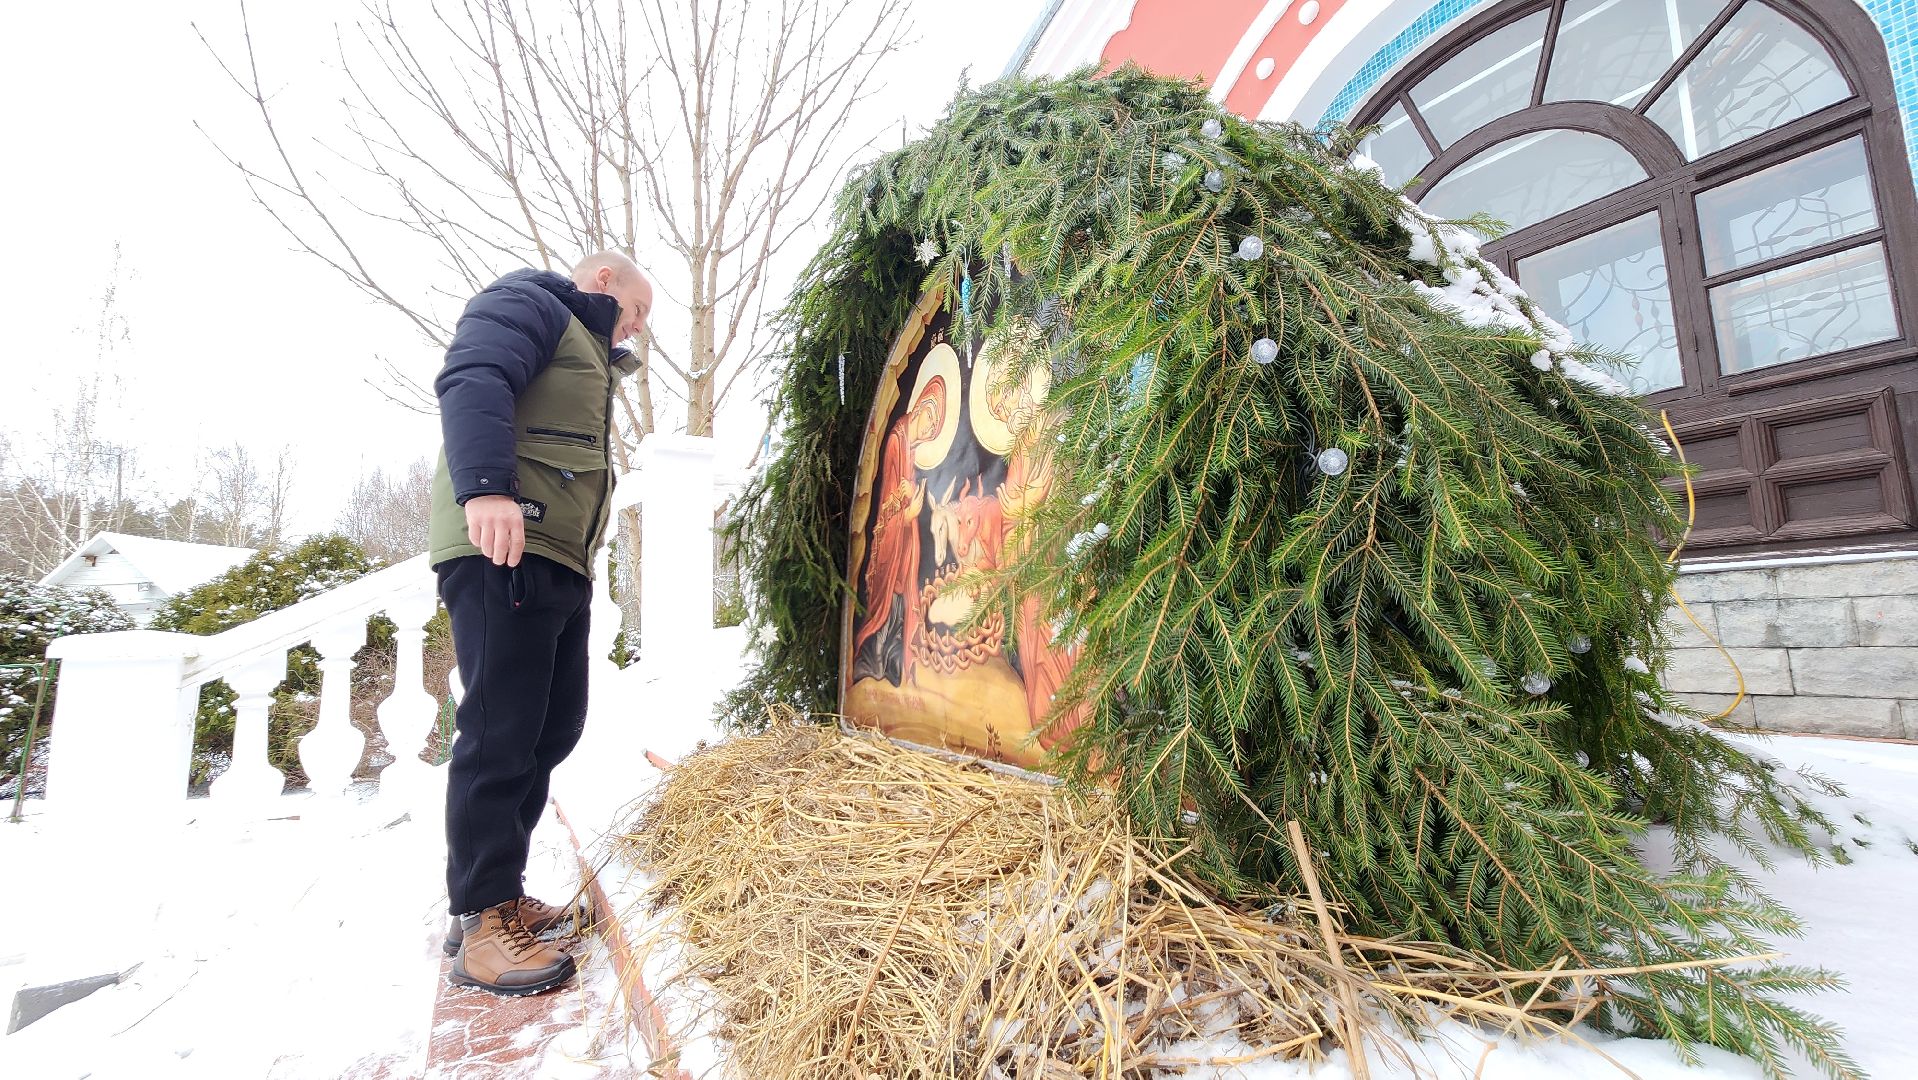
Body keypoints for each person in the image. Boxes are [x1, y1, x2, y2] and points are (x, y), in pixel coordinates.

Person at [426, 251, 652, 995]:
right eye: (638, 311)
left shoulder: (586, 349)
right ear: (604, 282)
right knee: (501, 728)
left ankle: (499, 892)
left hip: (554, 553)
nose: (638, 330)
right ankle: (482, 922)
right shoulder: (533, 301)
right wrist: (486, 488)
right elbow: (473, 377)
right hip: (505, 539)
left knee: (553, 725)